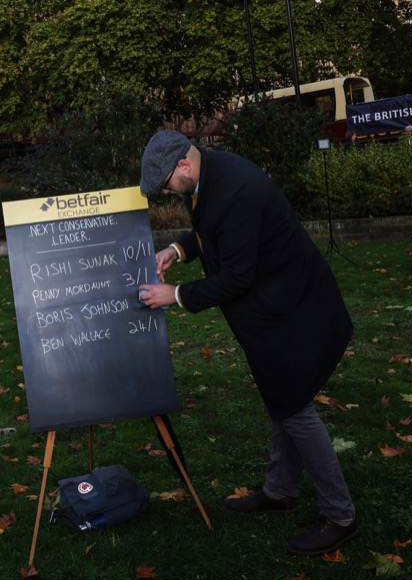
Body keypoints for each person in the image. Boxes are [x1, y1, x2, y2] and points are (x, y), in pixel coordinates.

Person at [137, 130, 357, 556]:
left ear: (184, 164)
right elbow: (209, 231)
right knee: (281, 399)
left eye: (166, 184)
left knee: (294, 407)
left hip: (293, 308)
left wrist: (176, 295)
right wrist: (176, 251)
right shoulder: (205, 176)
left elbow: (237, 277)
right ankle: (281, 491)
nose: (166, 192)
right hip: (268, 309)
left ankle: (340, 514)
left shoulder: (238, 189)